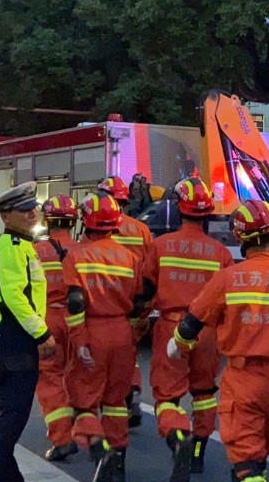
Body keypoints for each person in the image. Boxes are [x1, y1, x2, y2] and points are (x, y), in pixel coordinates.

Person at [170, 199, 269, 482]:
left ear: (240, 237)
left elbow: (192, 322)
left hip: (243, 381)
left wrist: (178, 345)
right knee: (259, 454)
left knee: (247, 461)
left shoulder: (227, 280)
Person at [143, 178, 233, 478]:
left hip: (172, 327)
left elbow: (144, 289)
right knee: (205, 392)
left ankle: (178, 438)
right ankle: (197, 453)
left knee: (167, 397)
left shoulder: (161, 246)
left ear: (178, 208)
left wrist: (136, 320)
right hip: (207, 331)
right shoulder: (221, 253)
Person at [0, 182, 57, 482]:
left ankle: (6, 475)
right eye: (23, 210)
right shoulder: (12, 247)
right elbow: (15, 297)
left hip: (10, 337)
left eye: (33, 208)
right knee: (13, 413)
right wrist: (42, 334)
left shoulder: (22, 246)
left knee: (6, 412)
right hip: (13, 337)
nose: (32, 214)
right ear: (6, 215)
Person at [63, 194, 143, 482]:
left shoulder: (77, 256)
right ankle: (118, 461)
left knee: (84, 400)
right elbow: (138, 301)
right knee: (116, 402)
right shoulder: (130, 258)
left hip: (93, 332)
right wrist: (132, 332)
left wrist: (80, 340)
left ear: (87, 222)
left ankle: (99, 449)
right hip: (122, 332)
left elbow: (75, 303)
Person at [98, 175, 156, 428]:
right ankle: (131, 392)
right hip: (137, 300)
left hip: (106, 300)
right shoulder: (141, 229)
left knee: (104, 355)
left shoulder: (99, 226)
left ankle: (108, 402)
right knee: (128, 350)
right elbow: (151, 267)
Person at [33, 194, 80, 461]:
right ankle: (87, 431)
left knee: (50, 377)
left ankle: (62, 438)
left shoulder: (36, 251)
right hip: (78, 320)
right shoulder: (84, 251)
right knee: (77, 373)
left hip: (47, 320)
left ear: (47, 221)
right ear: (73, 222)